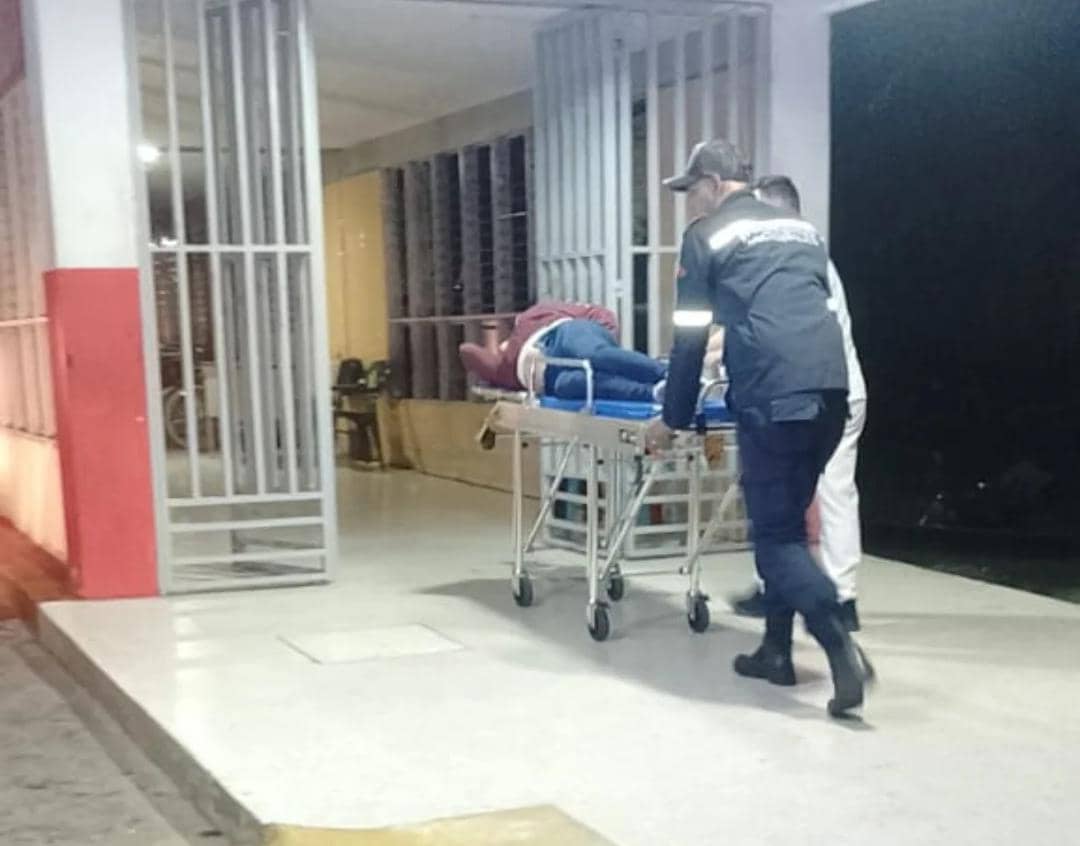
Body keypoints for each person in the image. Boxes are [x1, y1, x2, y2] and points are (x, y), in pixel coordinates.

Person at [644, 139, 874, 717]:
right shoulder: (802, 232)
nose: (689, 202)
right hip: (831, 396)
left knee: (776, 540)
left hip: (774, 400)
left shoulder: (706, 236)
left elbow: (690, 339)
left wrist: (672, 419)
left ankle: (836, 636)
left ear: (713, 184)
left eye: (691, 190)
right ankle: (776, 652)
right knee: (787, 525)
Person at [731, 175, 868, 632]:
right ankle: (835, 598)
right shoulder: (814, 255)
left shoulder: (790, 260)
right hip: (838, 388)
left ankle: (806, 595)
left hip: (808, 393)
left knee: (786, 502)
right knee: (831, 494)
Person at [459, 301, 665, 403]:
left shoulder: (534, 316)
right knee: (574, 385)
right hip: (549, 378)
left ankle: (666, 373)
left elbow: (597, 313)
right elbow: (467, 351)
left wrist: (604, 335)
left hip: (561, 335)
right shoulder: (502, 370)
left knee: (593, 354)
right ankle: (654, 393)